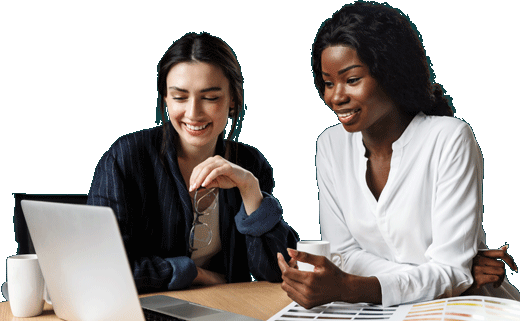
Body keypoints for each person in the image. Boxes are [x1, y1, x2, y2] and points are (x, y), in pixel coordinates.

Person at [277, 2, 520, 308]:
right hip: (385, 311)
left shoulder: (449, 139)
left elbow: (446, 272)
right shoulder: (330, 145)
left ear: (391, 73)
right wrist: (447, 274)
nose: (336, 97)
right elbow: (343, 254)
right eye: (328, 83)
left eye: (352, 80)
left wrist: (351, 287)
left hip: (465, 308)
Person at [87, 33, 298, 293]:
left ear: (233, 99)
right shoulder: (127, 158)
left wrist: (250, 190)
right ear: (165, 97)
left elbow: (278, 272)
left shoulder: (249, 164)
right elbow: (101, 266)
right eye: (179, 97)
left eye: (210, 98)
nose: (193, 113)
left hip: (225, 310)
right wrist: (194, 273)